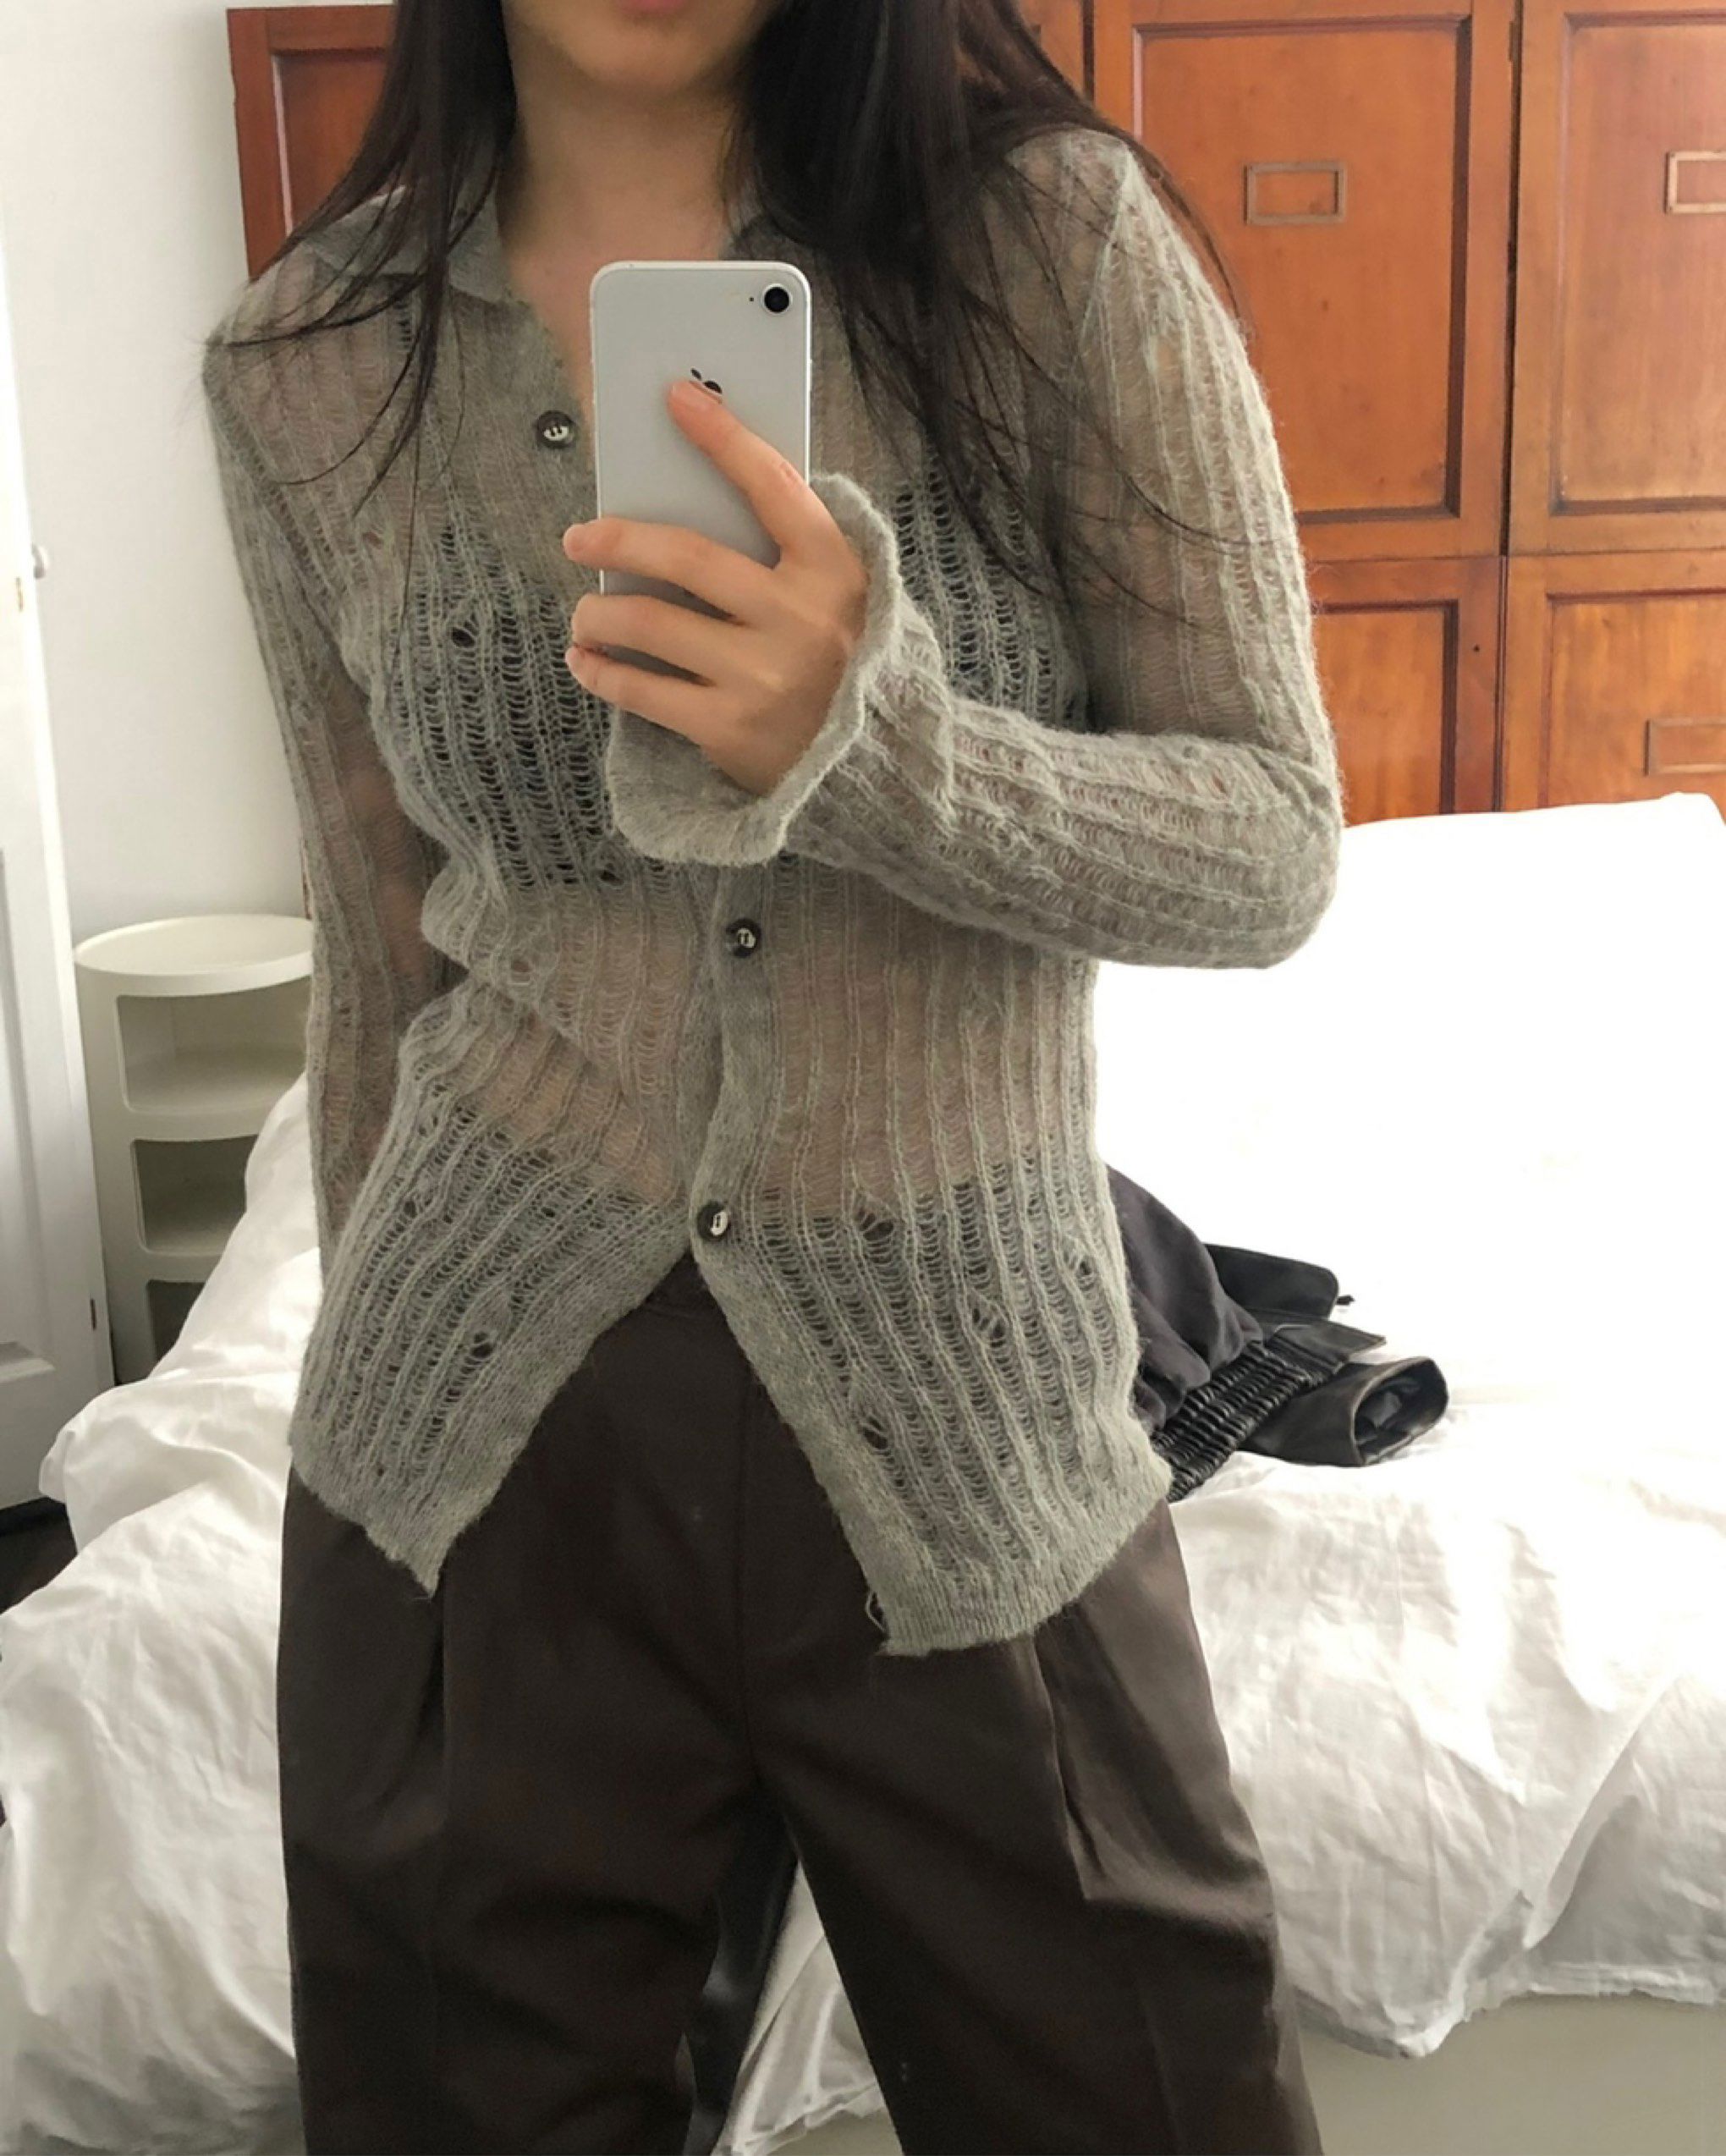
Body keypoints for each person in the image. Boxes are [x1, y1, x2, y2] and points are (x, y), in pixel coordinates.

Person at [202, 1, 1344, 2149]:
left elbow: (1272, 838)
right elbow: (377, 954)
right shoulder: (308, 358)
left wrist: (878, 744)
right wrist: (389, 1449)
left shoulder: (1046, 251)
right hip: (483, 1446)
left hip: (963, 1414)